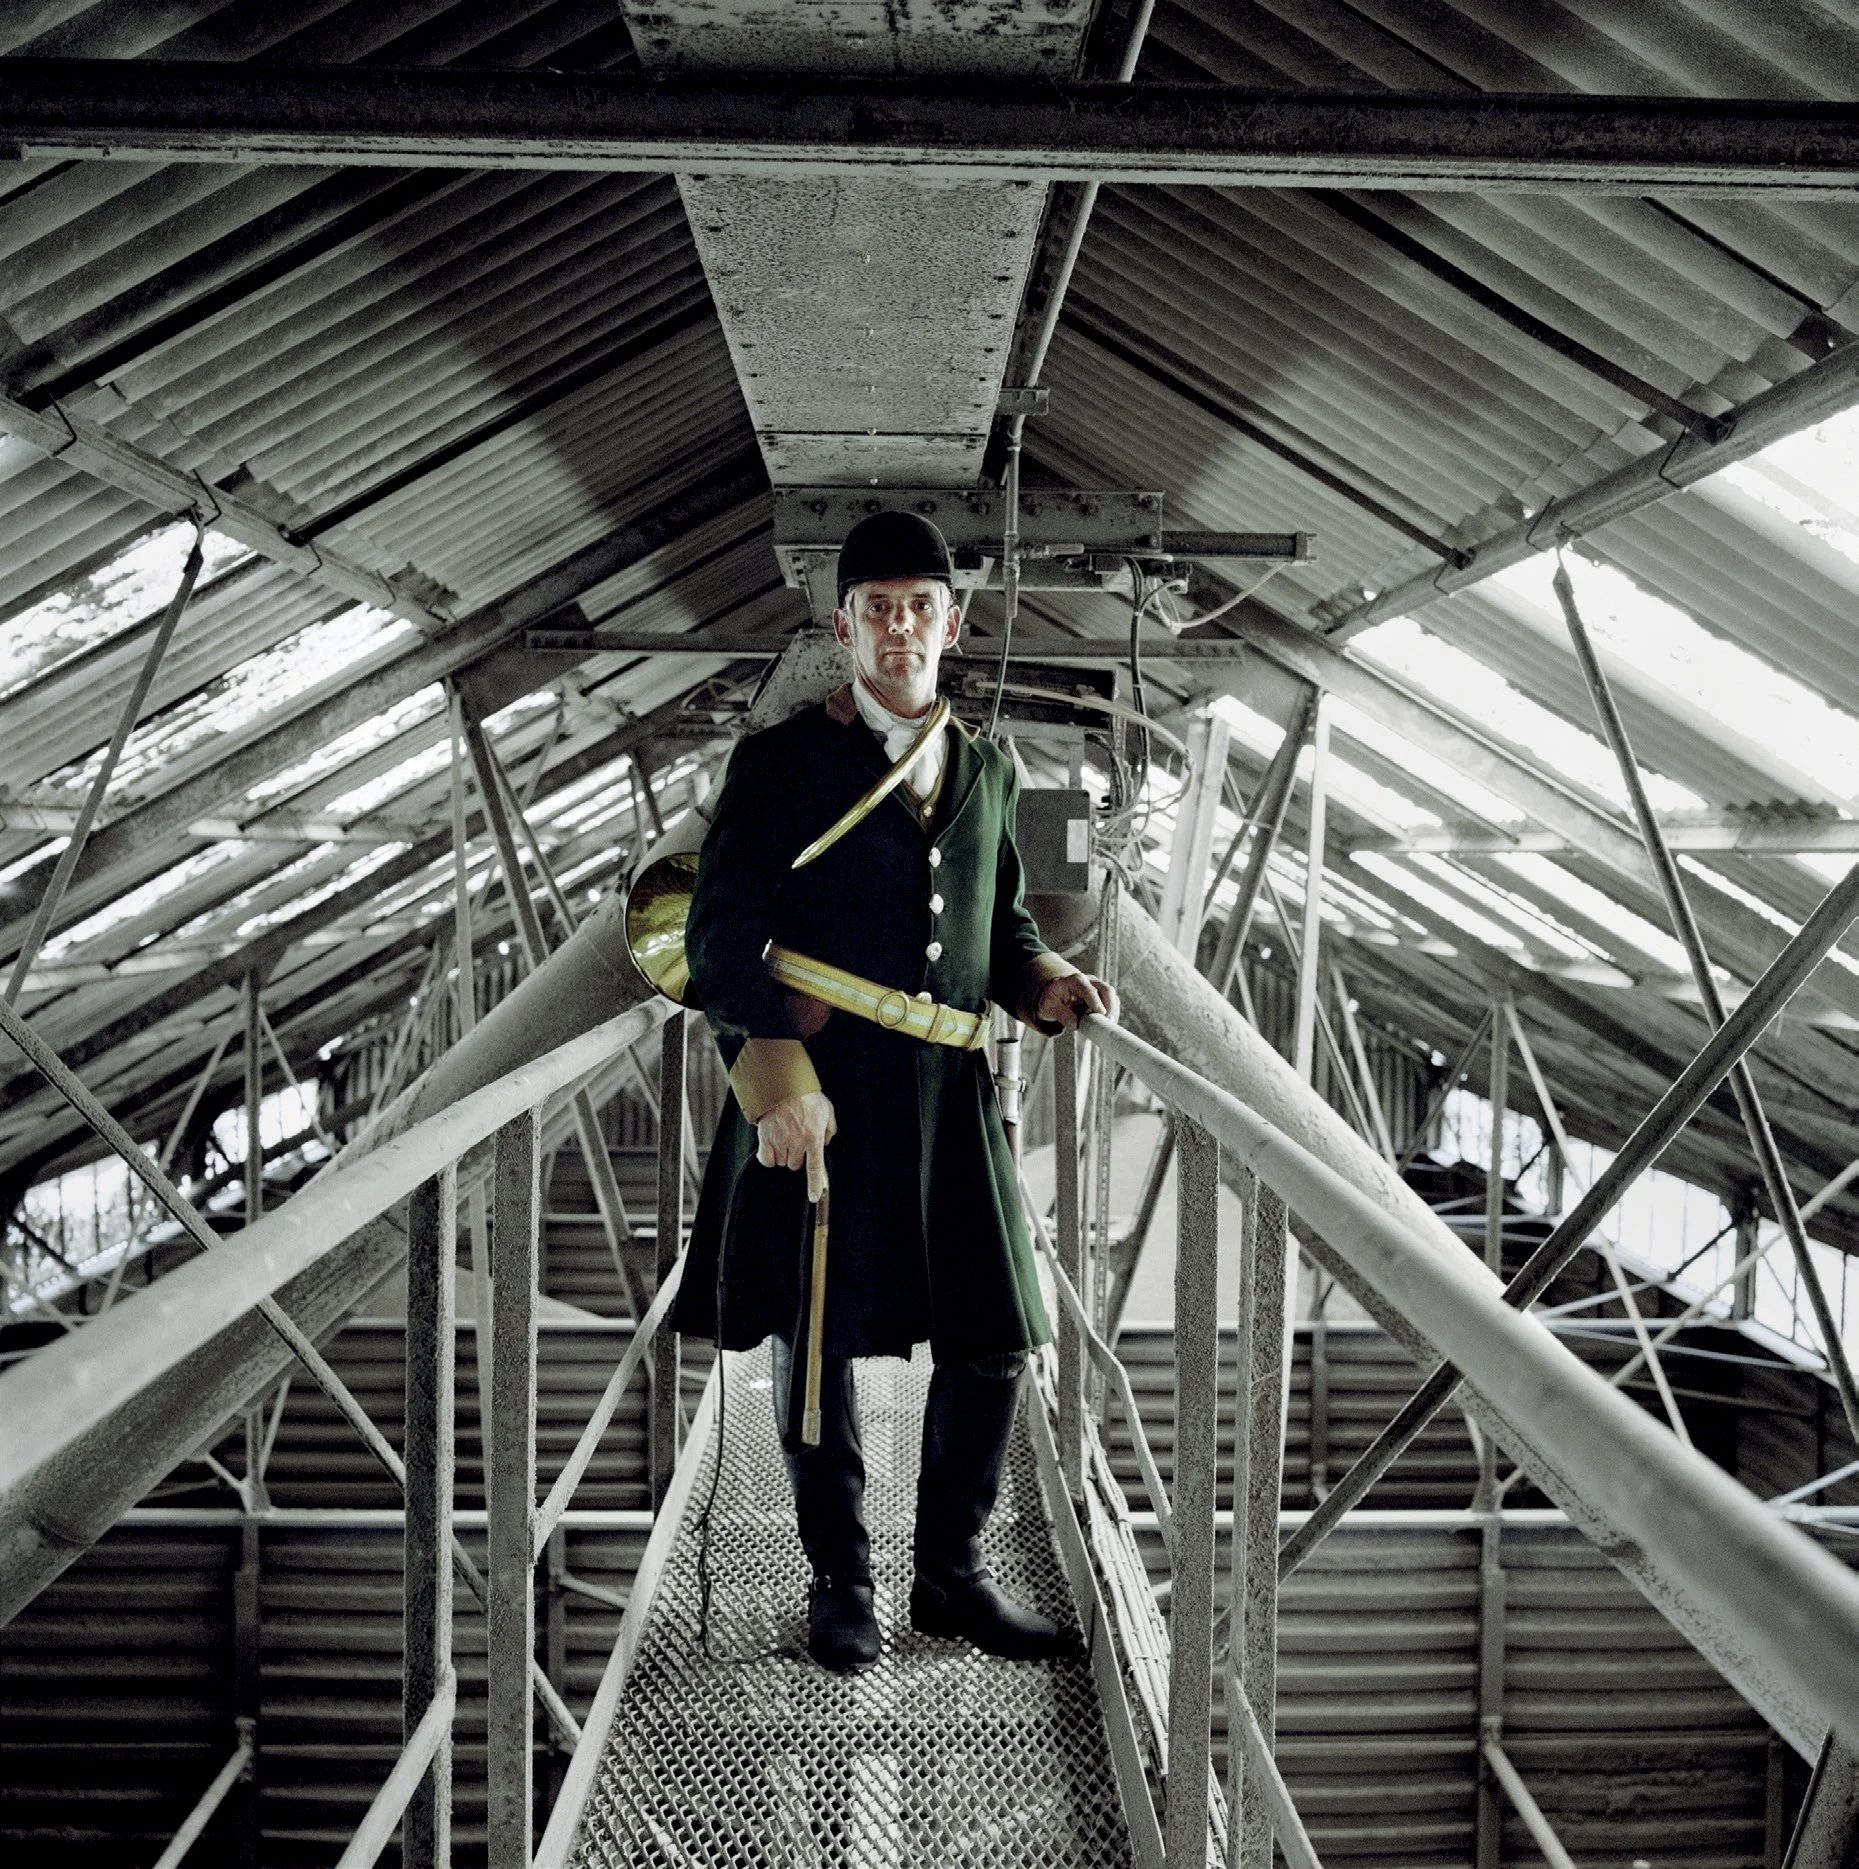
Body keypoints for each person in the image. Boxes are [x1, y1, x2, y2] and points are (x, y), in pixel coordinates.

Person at [674, 509, 1116, 1673]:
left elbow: (999, 921)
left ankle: (949, 1579)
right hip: (819, 1092)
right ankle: (842, 1584)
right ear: (844, 628)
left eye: (919, 603)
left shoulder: (986, 765)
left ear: (950, 624)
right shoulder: (775, 766)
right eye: (878, 606)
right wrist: (775, 1083)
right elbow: (716, 944)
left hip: (948, 1097)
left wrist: (1048, 984)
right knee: (813, 1345)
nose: (900, 622)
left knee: (995, 1337)